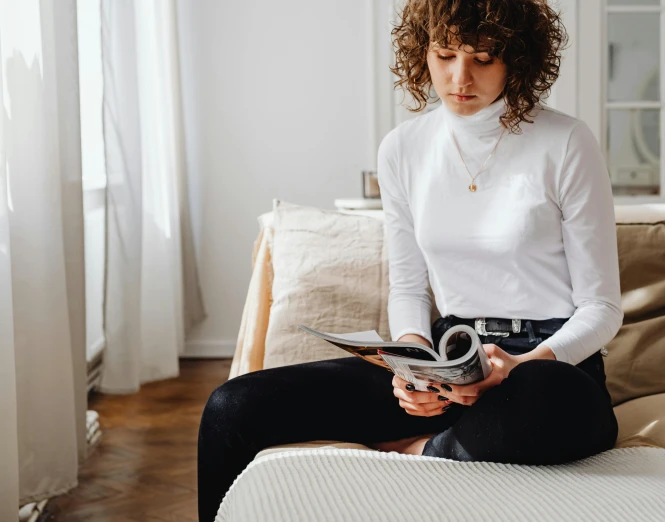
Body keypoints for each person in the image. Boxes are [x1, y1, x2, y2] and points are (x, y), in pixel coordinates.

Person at [197, 0, 622, 520]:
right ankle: (454, 436)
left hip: (546, 367)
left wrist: (519, 365)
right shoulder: (403, 148)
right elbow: (408, 287)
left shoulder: (567, 142)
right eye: (444, 55)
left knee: (545, 400)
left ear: (518, 59)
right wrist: (413, 367)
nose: (458, 77)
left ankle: (426, 451)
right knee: (231, 406)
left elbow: (602, 308)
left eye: (483, 59)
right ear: (423, 52)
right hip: (452, 362)